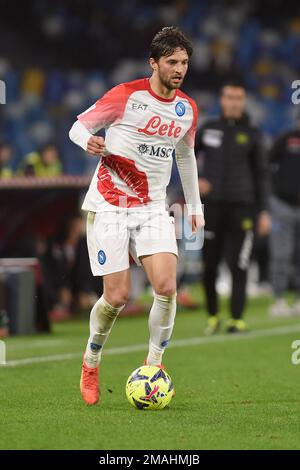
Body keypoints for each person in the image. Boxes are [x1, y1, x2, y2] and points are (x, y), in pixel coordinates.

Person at [69, 26, 205, 405]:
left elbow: (185, 155)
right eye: (172, 62)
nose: (179, 69)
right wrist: (89, 140)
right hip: (110, 205)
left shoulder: (187, 109)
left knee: (166, 286)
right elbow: (77, 127)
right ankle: (91, 361)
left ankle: (154, 365)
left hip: (151, 208)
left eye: (184, 62)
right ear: (154, 63)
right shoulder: (126, 96)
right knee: (117, 297)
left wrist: (194, 206)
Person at [195, 80, 271, 335]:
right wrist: (196, 181)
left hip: (243, 208)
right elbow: (185, 157)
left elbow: (262, 175)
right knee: (210, 265)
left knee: (239, 265)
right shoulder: (208, 129)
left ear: (244, 101)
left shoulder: (252, 133)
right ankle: (213, 316)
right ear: (221, 99)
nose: (233, 102)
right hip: (212, 208)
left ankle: (236, 319)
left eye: (238, 98)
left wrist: (263, 211)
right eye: (229, 97)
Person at [268, 116, 300, 317]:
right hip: (282, 205)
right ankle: (279, 299)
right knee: (281, 254)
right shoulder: (286, 139)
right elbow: (265, 165)